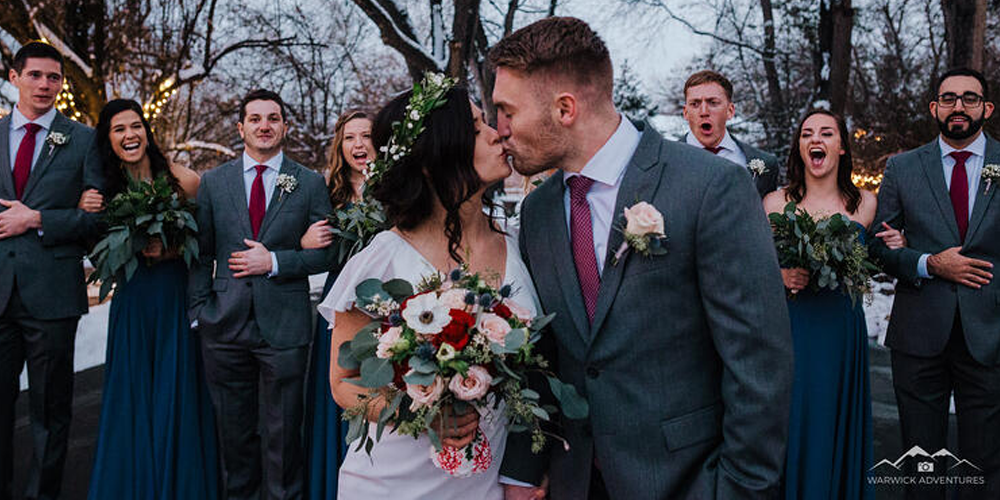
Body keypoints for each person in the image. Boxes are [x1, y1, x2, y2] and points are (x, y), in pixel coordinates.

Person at [490, 17, 793, 500]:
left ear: (564, 108)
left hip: (688, 481)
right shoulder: (539, 210)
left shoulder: (709, 187)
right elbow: (544, 359)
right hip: (575, 483)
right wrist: (527, 469)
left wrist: (736, 490)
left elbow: (759, 364)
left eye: (507, 111)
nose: (499, 129)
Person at [316, 80, 537, 500]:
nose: (496, 134)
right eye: (475, 129)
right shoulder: (382, 259)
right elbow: (342, 381)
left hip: (485, 483)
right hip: (392, 483)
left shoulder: (521, 244)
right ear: (434, 158)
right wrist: (417, 410)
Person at [188, 89, 334, 500]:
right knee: (234, 438)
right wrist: (200, 311)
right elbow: (199, 254)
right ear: (241, 128)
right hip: (224, 325)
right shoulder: (213, 183)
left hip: (284, 327)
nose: (264, 125)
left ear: (285, 127)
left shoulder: (309, 183)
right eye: (255, 119)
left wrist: (274, 262)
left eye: (273, 118)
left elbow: (326, 254)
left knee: (284, 436)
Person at [869, 67, 1000, 500]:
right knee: (921, 467)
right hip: (920, 334)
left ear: (987, 107)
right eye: (948, 98)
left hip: (991, 335)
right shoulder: (903, 168)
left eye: (969, 98)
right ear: (933, 108)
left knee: (986, 467)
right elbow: (876, 248)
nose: (958, 106)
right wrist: (928, 262)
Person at [79, 99, 217, 500]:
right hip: (134, 301)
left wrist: (170, 250)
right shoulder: (104, 190)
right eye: (119, 129)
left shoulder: (183, 180)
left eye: (135, 126)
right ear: (108, 140)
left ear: (147, 130)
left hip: (174, 297)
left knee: (177, 393)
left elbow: (206, 242)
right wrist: (83, 210)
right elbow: (94, 248)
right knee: (133, 396)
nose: (129, 135)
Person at [0, 41, 103, 500]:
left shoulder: (84, 140)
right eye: (36, 75)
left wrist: (39, 218)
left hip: (53, 296)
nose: (45, 85)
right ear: (14, 77)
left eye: (54, 77)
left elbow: (99, 218)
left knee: (50, 411)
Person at [762, 109, 878, 500]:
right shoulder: (775, 202)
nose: (816, 139)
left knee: (834, 420)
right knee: (795, 418)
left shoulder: (864, 203)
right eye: (807, 133)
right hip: (792, 327)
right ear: (799, 147)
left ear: (841, 147)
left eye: (826, 132)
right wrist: (779, 277)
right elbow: (751, 267)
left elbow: (871, 258)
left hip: (841, 330)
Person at [298, 109, 375, 500]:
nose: (358, 145)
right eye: (349, 138)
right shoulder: (329, 194)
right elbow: (312, 243)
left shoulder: (398, 188)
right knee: (341, 389)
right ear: (339, 147)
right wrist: (304, 242)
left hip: (384, 304)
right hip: (341, 301)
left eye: (365, 136)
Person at [682, 70, 780, 197]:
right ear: (685, 113)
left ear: (730, 111)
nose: (704, 111)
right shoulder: (665, 161)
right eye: (695, 104)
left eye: (713, 103)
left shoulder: (766, 164)